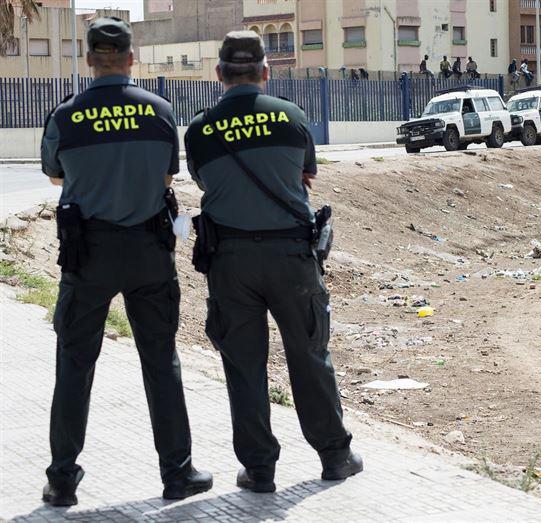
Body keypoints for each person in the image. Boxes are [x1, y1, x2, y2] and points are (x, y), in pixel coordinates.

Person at [39, 17, 212, 506]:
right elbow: (165, 178)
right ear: (132, 59)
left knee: (74, 364)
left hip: (87, 253)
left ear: (90, 59)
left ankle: (62, 481)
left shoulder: (66, 115)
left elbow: (55, 177)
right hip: (147, 252)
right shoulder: (159, 111)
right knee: (161, 362)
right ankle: (177, 474)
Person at [184, 31, 361, 493]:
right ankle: (335, 456)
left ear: (219, 74)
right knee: (309, 356)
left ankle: (260, 469)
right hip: (291, 260)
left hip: (231, 262)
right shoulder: (292, 117)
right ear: (265, 72)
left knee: (243, 365)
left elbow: (204, 182)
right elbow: (306, 177)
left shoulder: (201, 129)